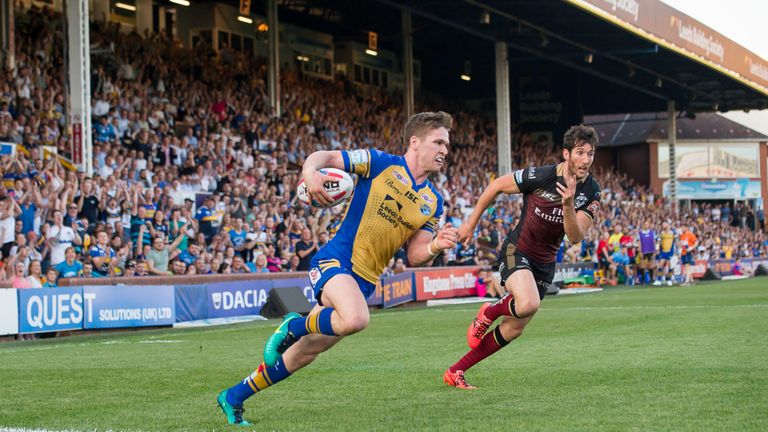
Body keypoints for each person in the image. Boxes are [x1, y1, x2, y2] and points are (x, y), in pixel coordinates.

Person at [216, 111, 459, 425]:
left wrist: (436, 246)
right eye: (438, 142)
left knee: (305, 353)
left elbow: (415, 256)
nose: (444, 150)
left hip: (365, 281)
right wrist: (311, 173)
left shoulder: (433, 202)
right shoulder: (378, 162)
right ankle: (293, 325)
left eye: (447, 145)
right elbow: (322, 156)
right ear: (415, 142)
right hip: (336, 261)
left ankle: (233, 397)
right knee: (356, 318)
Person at [443, 124, 600, 389]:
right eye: (580, 152)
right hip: (518, 250)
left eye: (590, 154)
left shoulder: (591, 191)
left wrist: (568, 205)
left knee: (515, 328)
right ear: (566, 154)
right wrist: (470, 224)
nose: (586, 159)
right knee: (527, 303)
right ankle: (489, 311)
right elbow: (496, 186)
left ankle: (455, 370)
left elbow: (575, 236)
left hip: (545, 264)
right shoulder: (540, 176)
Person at [654, 221, 675, 286]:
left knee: (670, 265)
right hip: (663, 251)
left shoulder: (673, 232)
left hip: (670, 251)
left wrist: (678, 251)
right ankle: (659, 280)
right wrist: (657, 249)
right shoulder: (661, 233)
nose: (663, 225)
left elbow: (677, 241)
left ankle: (669, 279)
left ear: (668, 224)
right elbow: (658, 241)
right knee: (661, 264)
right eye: (662, 224)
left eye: (664, 224)